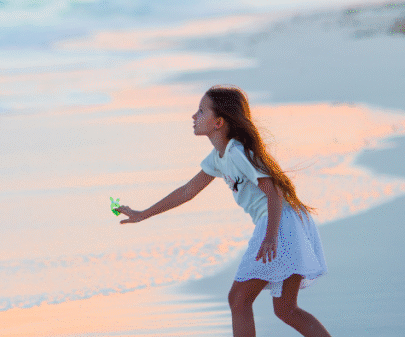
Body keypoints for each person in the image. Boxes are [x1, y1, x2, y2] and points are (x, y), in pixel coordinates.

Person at [116, 85, 332, 337]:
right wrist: (143, 213)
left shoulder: (237, 153)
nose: (193, 117)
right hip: (286, 222)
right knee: (285, 309)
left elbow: (273, 193)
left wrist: (271, 236)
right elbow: (187, 191)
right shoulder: (219, 157)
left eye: (200, 111)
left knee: (239, 300)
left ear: (218, 122)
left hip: (279, 223)